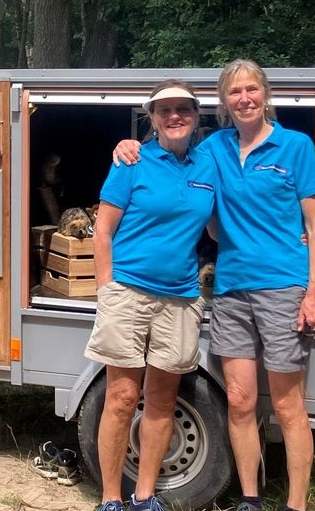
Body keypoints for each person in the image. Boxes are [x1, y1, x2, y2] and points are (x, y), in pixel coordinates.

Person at [114, 60, 315, 511]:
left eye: (251, 89)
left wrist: (312, 293)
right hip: (230, 289)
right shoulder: (214, 149)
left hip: (284, 287)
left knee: (288, 407)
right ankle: (251, 499)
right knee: (240, 400)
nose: (244, 98)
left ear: (264, 95)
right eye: (234, 92)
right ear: (224, 103)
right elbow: (172, 153)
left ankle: (296, 505)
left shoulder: (295, 146)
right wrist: (129, 144)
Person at [86, 80, 216, 511]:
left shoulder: (208, 164)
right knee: (122, 397)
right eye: (165, 110)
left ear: (197, 116)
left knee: (162, 400)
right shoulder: (132, 161)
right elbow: (102, 231)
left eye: (183, 108)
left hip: (180, 297)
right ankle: (110, 498)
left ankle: (145, 497)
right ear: (152, 118)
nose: (174, 116)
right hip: (128, 292)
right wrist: (107, 290)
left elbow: (217, 227)